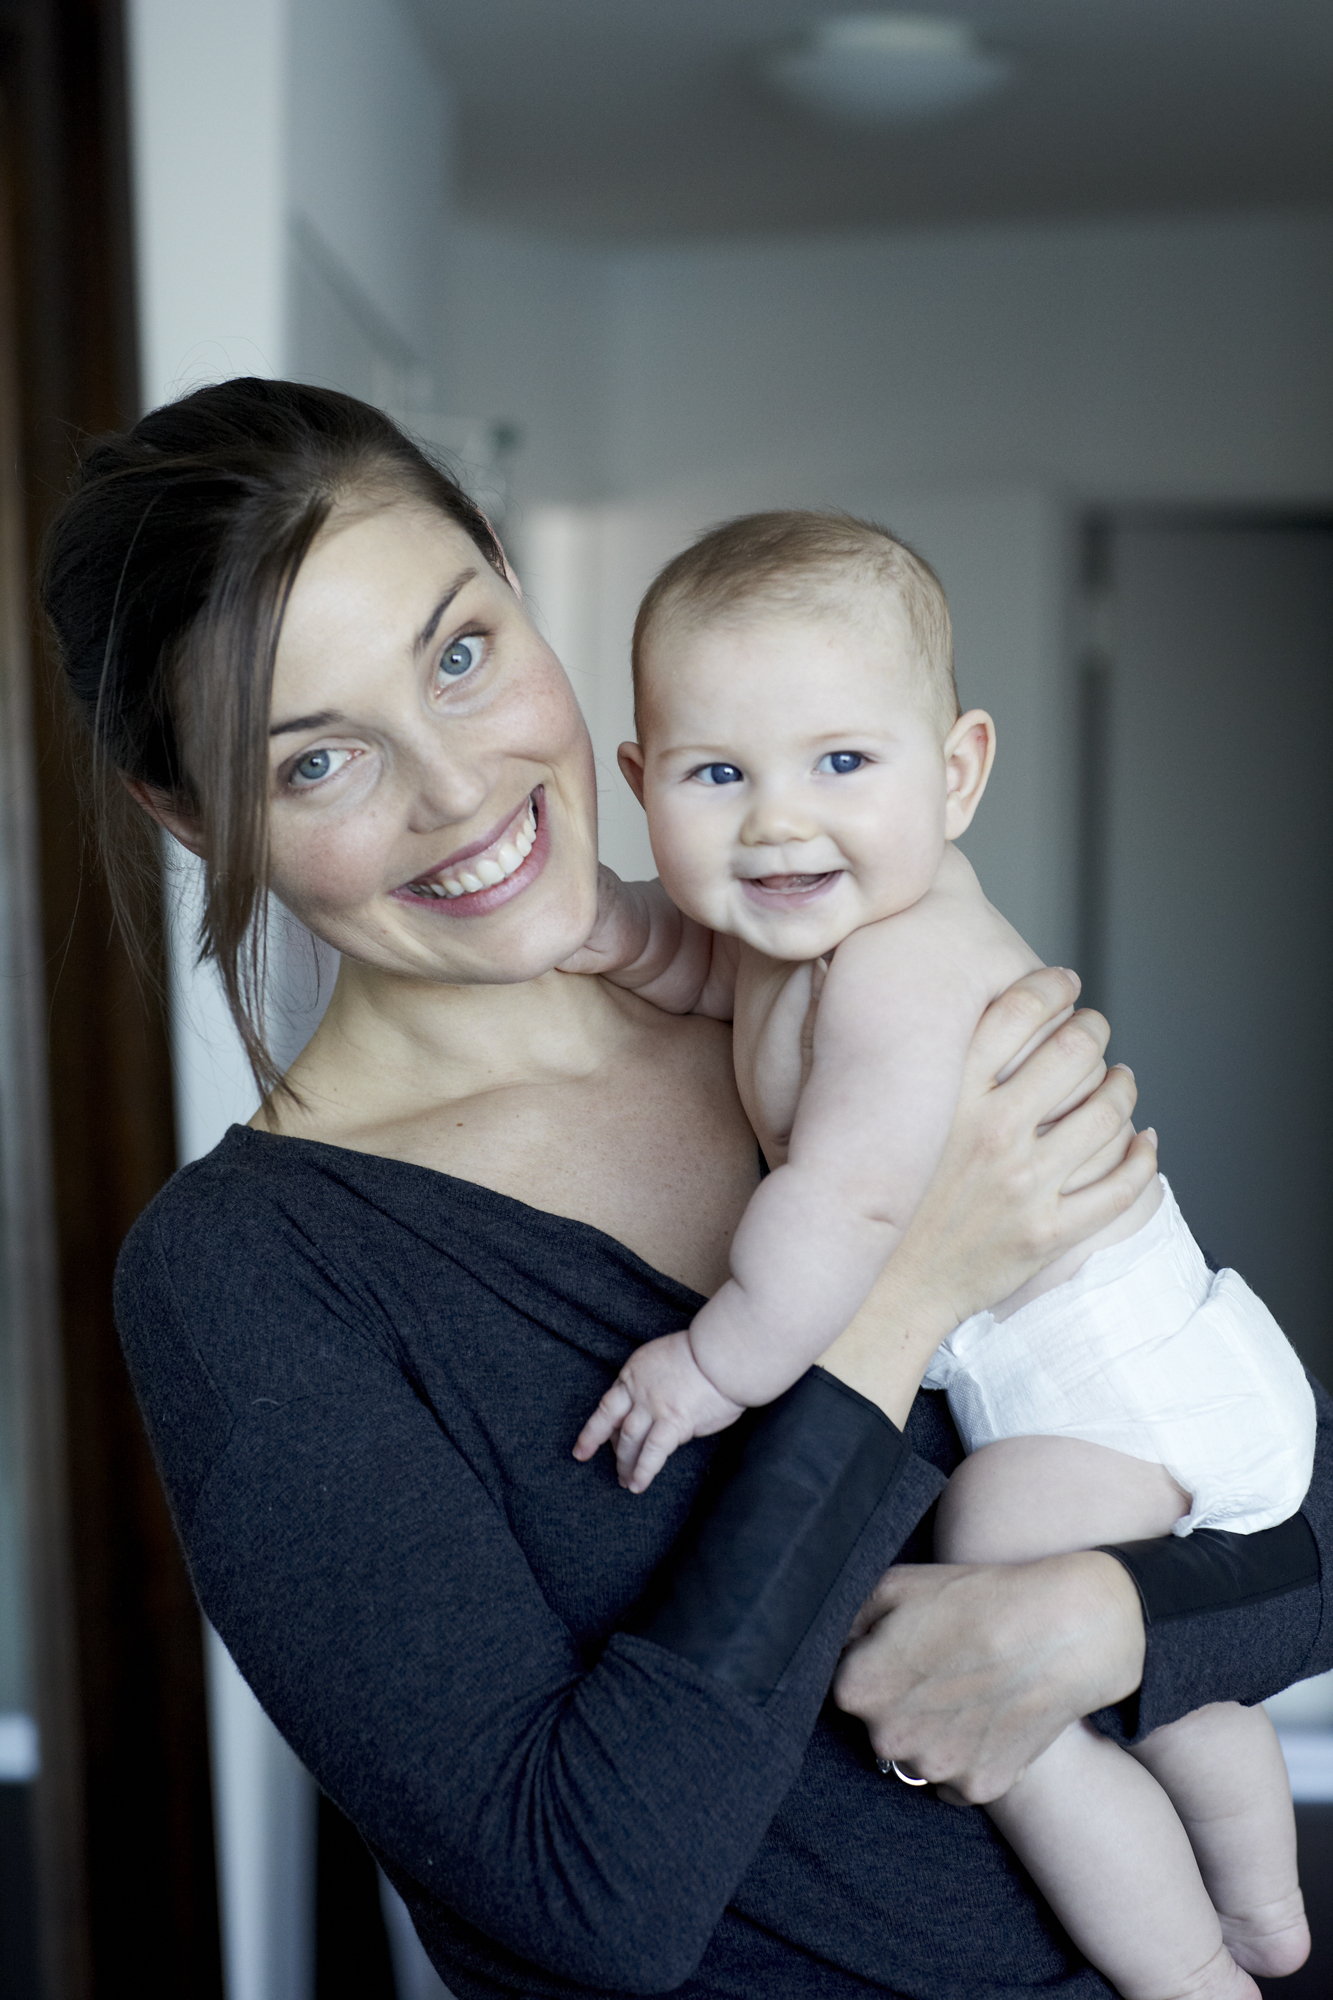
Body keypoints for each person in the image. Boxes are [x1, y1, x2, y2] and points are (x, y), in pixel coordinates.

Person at [39, 379, 1332, 2000]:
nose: (458, 790)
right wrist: (904, 1296)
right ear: (189, 813)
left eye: (459, 654)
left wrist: (1102, 1626)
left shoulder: (814, 969)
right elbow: (585, 1902)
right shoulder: (252, 1277)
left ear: (517, 592)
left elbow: (1286, 1495)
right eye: (317, 762)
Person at [566, 512, 1314, 1999]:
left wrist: (714, 1362)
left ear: (956, 770)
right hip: (1120, 1370)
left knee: (993, 1649)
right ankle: (1263, 1894)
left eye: (842, 763)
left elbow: (842, 1210)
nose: (780, 823)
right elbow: (696, 959)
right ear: (644, 787)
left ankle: (1194, 1967)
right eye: (719, 775)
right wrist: (606, 931)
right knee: (1111, 1660)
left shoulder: (908, 967)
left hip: (1112, 1385)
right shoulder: (797, 934)